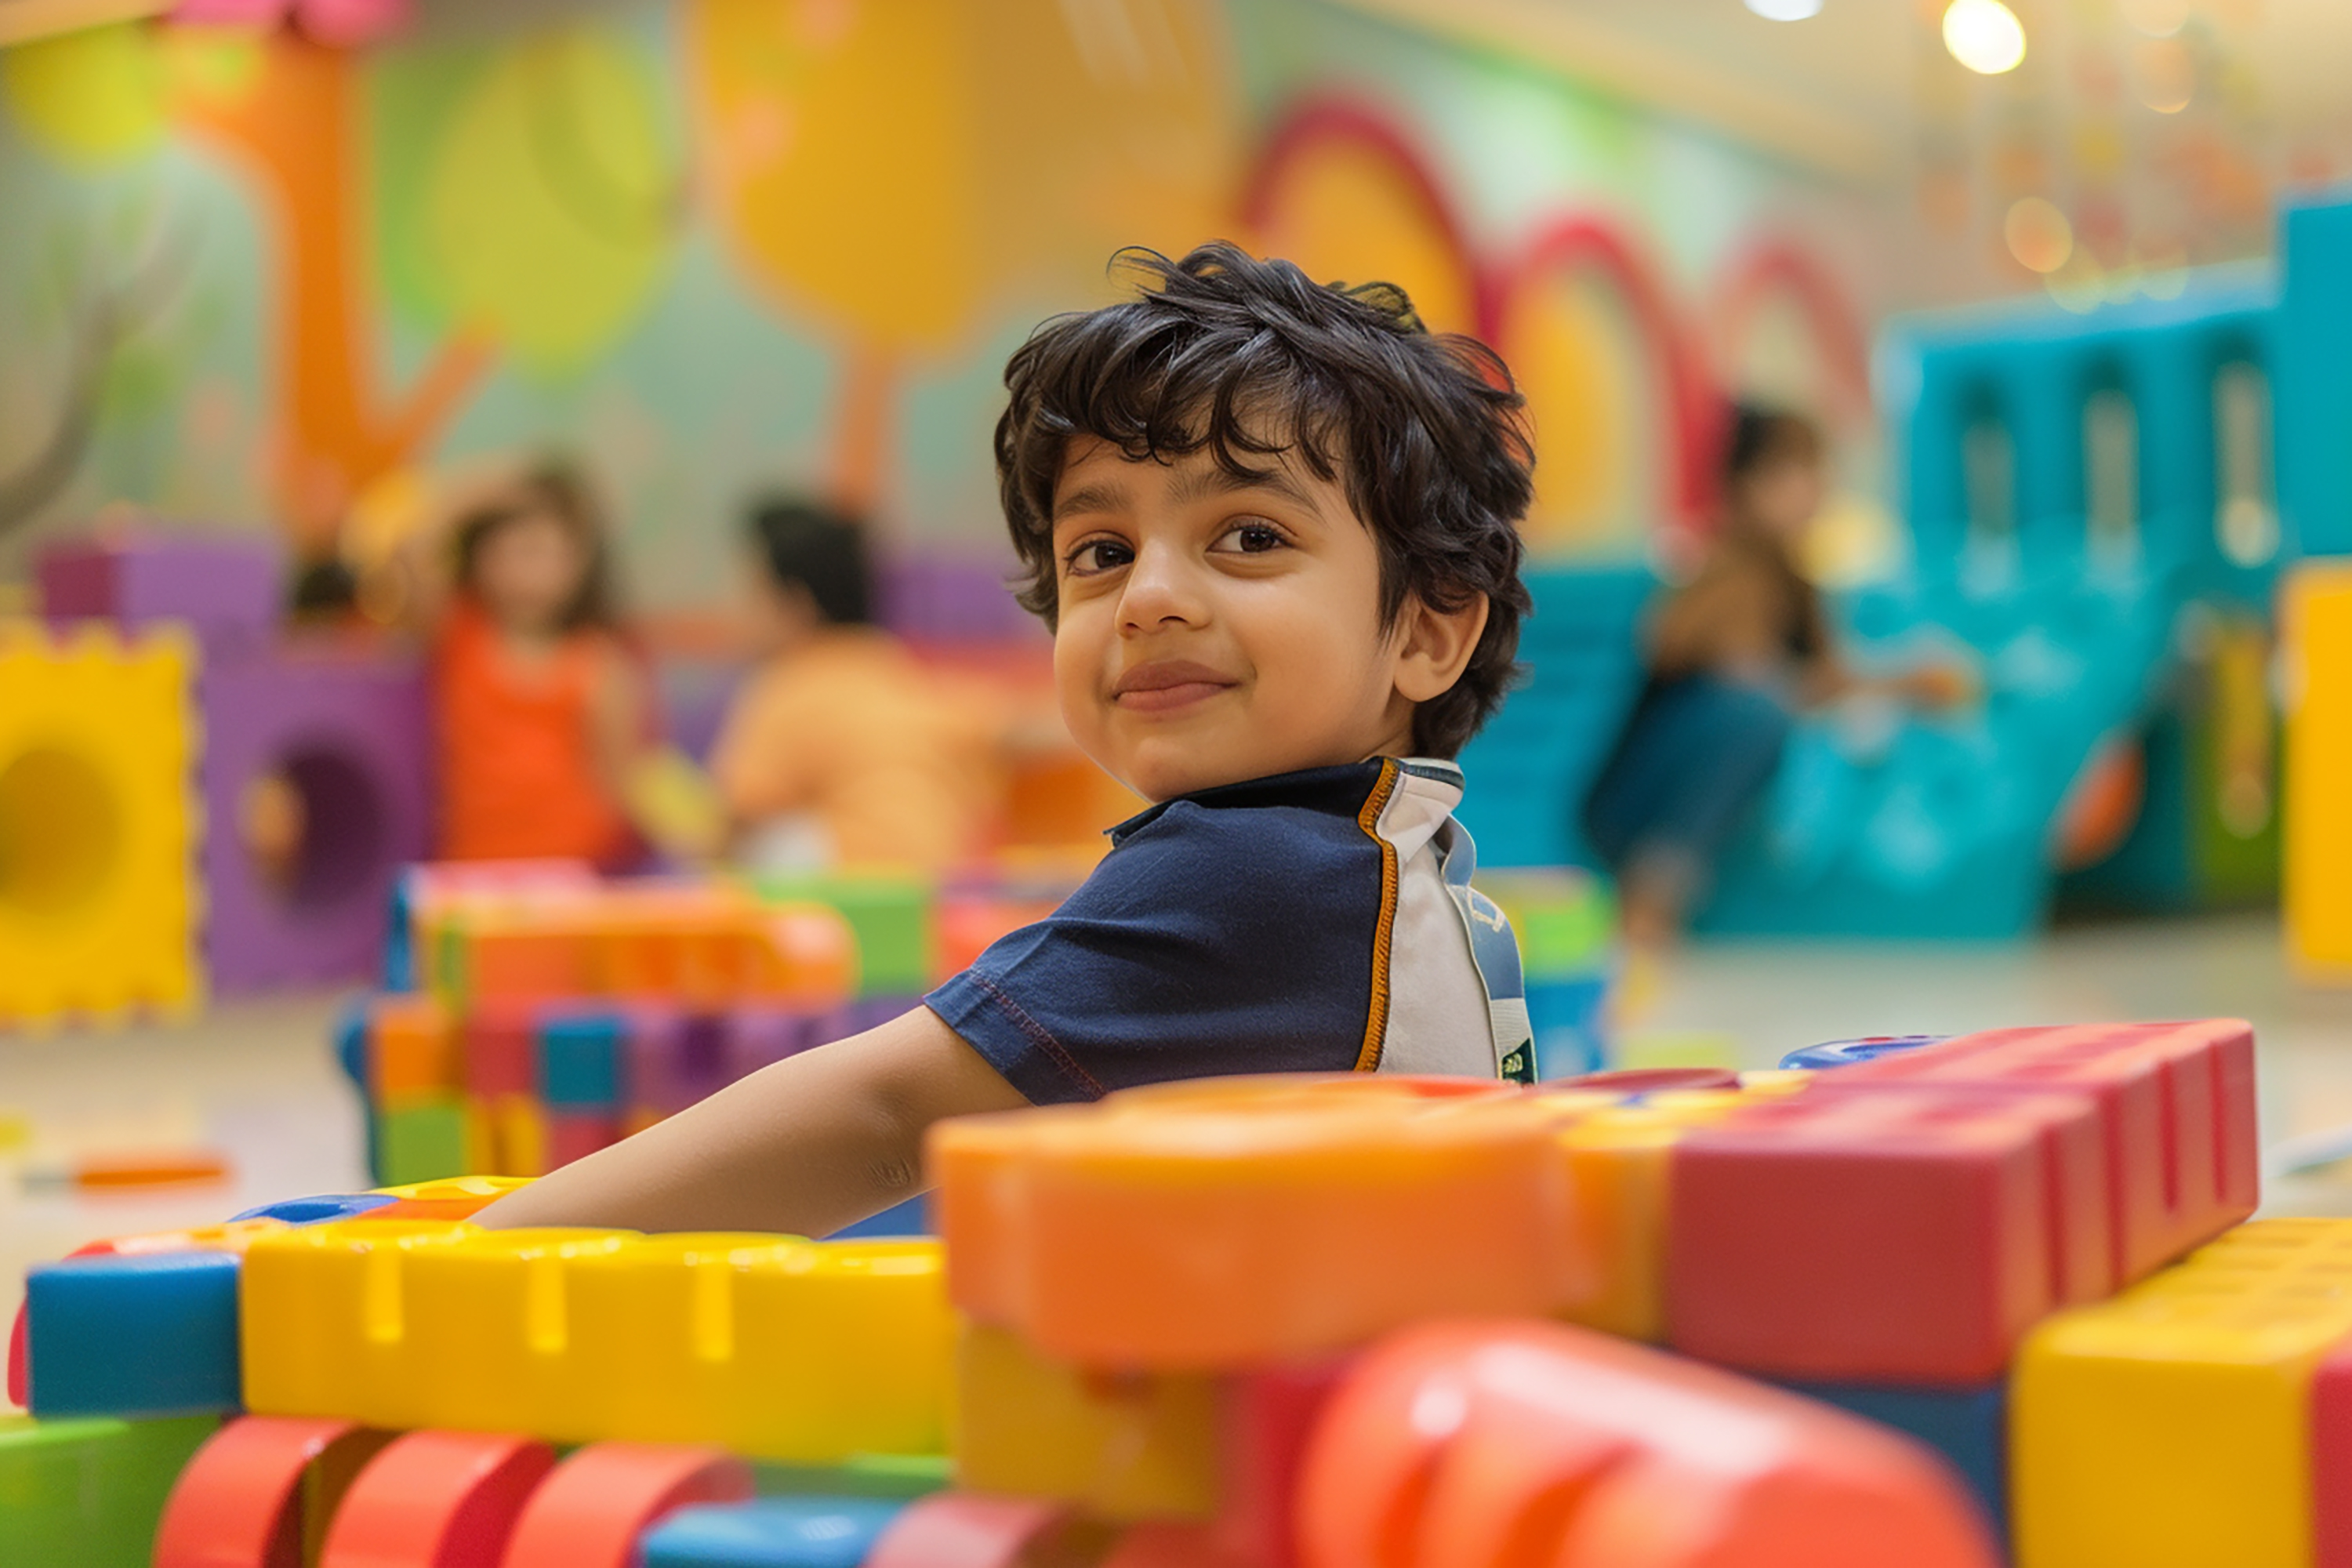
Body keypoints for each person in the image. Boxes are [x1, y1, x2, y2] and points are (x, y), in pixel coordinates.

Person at [477, 243, 1536, 1236]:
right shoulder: (1407, 861)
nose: (1148, 598)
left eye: (1250, 537)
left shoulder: (1255, 871)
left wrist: (489, 1251)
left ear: (1429, 630)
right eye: (1102, 551)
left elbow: (886, 1111)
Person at [1582, 406, 1972, 949]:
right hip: (1631, 803)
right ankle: (1654, 890)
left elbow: (1822, 677)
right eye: (1794, 472)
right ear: (1745, 484)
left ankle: (1669, 885)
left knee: (1770, 710)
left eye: (1819, 473)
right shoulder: (1725, 566)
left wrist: (1905, 681)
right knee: (1758, 711)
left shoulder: (1794, 578)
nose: (1814, 490)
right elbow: (1733, 669)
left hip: (1685, 770)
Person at [709, 498, 1002, 873]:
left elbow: (739, 809)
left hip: (851, 884)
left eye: (751, 593)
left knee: (759, 846)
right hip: (939, 883)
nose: (735, 610)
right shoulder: (892, 668)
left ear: (795, 605)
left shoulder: (790, 681)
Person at [412, 462, 655, 866]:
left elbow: (623, 782)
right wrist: (480, 495)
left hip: (570, 869)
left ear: (577, 562)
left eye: (541, 551)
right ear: (480, 559)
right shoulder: (462, 634)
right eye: (508, 552)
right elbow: (410, 558)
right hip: (473, 865)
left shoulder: (600, 662)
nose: (525, 570)